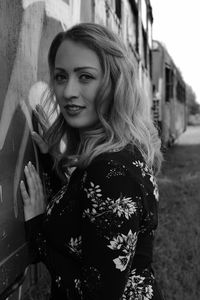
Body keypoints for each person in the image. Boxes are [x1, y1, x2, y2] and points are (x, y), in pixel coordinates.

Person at [20, 22, 164, 300]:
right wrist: (50, 163)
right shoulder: (116, 154)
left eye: (85, 77)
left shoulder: (111, 172)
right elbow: (85, 218)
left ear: (113, 82)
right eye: (61, 77)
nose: (68, 91)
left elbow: (94, 295)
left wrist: (37, 230)